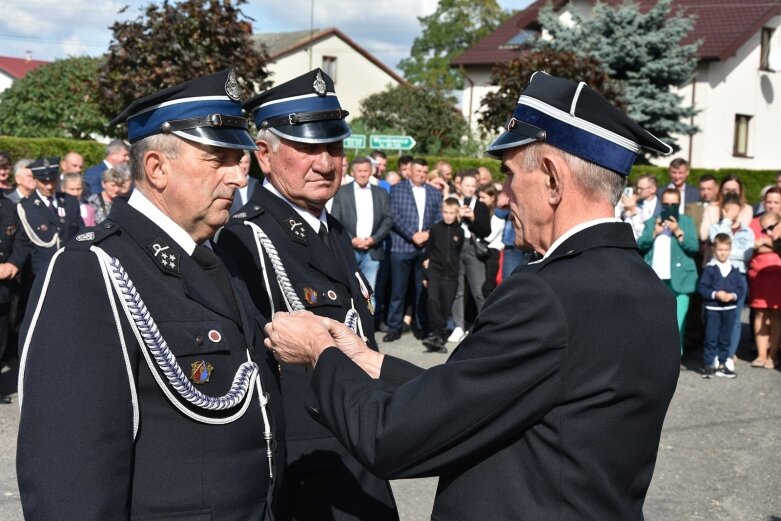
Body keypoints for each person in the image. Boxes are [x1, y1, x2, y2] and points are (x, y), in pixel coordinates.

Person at [263, 71, 680, 520]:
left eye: (509, 175)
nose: (502, 198)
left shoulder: (546, 295)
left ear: (553, 179)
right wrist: (370, 362)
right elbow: (495, 392)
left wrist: (319, 352)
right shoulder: (649, 291)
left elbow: (391, 438)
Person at [16, 69, 282, 520]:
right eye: (218, 159)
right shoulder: (91, 269)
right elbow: (69, 479)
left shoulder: (218, 254)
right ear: (157, 168)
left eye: (239, 159)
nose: (240, 178)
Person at [216, 68, 399, 521]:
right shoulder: (244, 239)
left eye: (333, 147)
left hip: (359, 447)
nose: (325, 162)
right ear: (264, 154)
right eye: (306, 149)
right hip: (303, 465)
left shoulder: (332, 231)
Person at [383, 158, 442, 343]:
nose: (421, 175)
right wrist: (412, 235)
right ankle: (394, 327)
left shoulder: (434, 193)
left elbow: (439, 218)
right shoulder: (397, 189)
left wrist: (427, 234)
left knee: (421, 291)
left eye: (424, 172)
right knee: (398, 291)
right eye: (418, 171)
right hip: (401, 247)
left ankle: (420, 326)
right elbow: (393, 215)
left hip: (424, 248)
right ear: (410, 171)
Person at [638, 188, 699, 353]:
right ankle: (655, 356)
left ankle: (674, 358)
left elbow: (694, 247)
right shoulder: (652, 221)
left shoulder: (686, 221)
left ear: (679, 204)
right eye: (666, 204)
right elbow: (640, 245)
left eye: (674, 204)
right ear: (661, 203)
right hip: (655, 278)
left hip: (680, 279)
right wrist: (654, 233)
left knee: (678, 323)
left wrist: (678, 231)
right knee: (654, 321)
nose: (669, 207)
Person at [331, 156, 393, 313]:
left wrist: (373, 239)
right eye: (359, 171)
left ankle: (368, 333)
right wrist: (351, 240)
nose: (363, 174)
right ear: (353, 172)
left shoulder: (381, 193)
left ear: (371, 171)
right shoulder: (341, 192)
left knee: (369, 294)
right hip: (349, 250)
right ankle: (351, 332)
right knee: (347, 291)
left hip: (372, 251)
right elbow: (335, 219)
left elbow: (388, 219)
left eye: (366, 171)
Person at [707, 193, 754, 371]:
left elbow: (747, 255)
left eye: (735, 211)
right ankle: (713, 355)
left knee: (734, 318)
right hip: (716, 274)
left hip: (738, 276)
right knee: (715, 318)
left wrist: (726, 250)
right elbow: (716, 242)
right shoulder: (716, 227)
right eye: (728, 211)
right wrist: (726, 222)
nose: (731, 214)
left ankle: (727, 355)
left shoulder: (747, 231)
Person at [15, 157, 83, 278]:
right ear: (35, 179)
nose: (49, 186)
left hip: (71, 269)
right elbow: (22, 244)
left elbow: (80, 233)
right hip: (40, 274)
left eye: (52, 181)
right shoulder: (25, 207)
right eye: (44, 182)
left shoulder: (70, 202)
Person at [448, 170, 491, 344]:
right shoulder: (452, 202)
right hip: (454, 248)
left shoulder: (479, 205)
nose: (470, 189)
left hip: (473, 248)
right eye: (467, 185)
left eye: (474, 185)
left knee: (479, 291)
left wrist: (473, 218)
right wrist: (456, 217)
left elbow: (486, 231)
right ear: (459, 186)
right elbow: (444, 225)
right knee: (457, 291)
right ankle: (458, 325)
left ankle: (483, 326)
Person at [699, 233, 747, 379]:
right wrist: (715, 294)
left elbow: (741, 288)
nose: (722, 253)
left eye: (726, 250)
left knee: (725, 338)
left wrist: (732, 296)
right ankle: (708, 365)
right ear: (714, 250)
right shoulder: (710, 268)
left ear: (730, 250)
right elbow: (702, 288)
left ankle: (722, 364)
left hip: (730, 309)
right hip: (713, 309)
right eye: (720, 250)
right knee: (711, 337)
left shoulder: (734, 269)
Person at [421, 198, 463, 353]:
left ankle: (438, 338)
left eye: (452, 213)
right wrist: (425, 275)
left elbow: (457, 252)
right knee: (432, 300)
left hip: (451, 275)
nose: (448, 216)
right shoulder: (436, 228)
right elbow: (428, 252)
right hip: (435, 272)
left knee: (445, 307)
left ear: (457, 213)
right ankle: (435, 333)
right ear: (441, 212)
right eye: (445, 212)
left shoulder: (460, 231)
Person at [748, 205, 781, 369]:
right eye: (764, 229)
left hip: (777, 280)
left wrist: (767, 243)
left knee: (776, 316)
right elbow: (753, 246)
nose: (767, 233)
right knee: (760, 314)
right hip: (760, 279)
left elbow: (766, 245)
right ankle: (762, 355)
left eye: (771, 228)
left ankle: (772, 356)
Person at [0, 190, 24, 404]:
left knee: (1, 336)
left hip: (4, 284)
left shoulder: (8, 205)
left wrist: (14, 263)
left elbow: (20, 238)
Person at [699, 174, 753, 241]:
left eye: (734, 190)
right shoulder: (711, 208)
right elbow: (704, 235)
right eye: (727, 190)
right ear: (721, 191)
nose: (730, 193)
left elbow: (741, 235)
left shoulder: (747, 209)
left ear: (740, 192)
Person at [479, 182, 504, 296]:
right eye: (479, 197)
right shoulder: (484, 212)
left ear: (492, 197)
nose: (480, 200)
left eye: (483, 197)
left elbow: (489, 236)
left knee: (489, 285)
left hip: (492, 253)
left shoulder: (497, 215)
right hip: (483, 251)